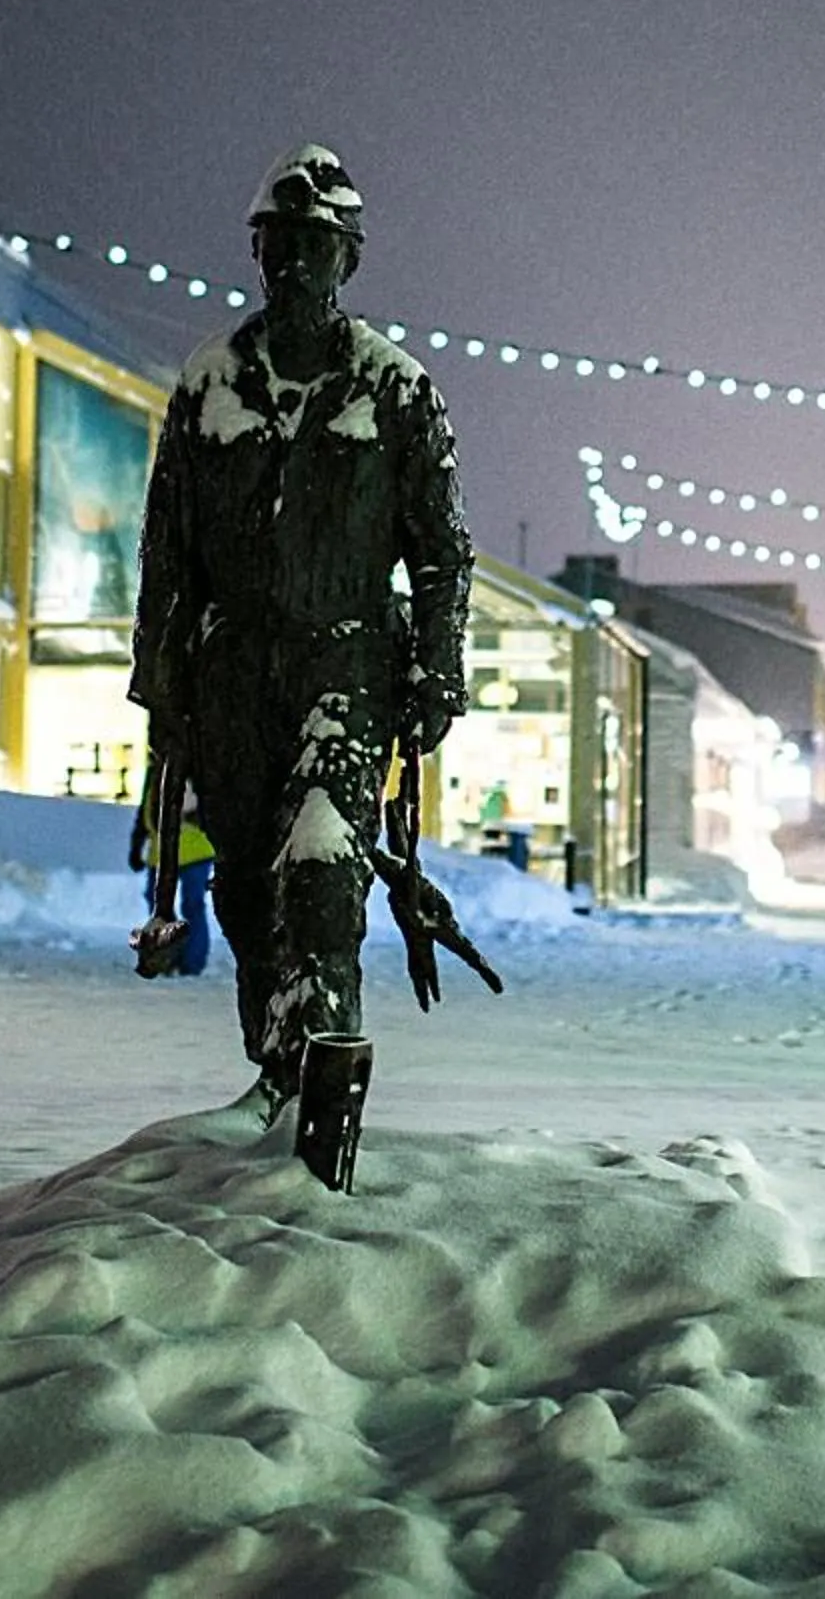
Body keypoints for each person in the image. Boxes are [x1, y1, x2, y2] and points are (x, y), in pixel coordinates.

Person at [130, 144, 474, 1116]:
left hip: (348, 667)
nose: (293, 263)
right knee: (245, 893)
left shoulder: (396, 391)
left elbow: (443, 551)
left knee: (322, 874)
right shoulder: (211, 385)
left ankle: (327, 1082)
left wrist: (437, 674)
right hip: (233, 677)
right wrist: (161, 690)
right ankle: (281, 1068)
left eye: (315, 245)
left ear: (348, 258)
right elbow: (167, 551)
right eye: (277, 243)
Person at [126, 765, 217, 976]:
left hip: (194, 849)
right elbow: (146, 807)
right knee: (163, 905)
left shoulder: (195, 764)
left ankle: (190, 962)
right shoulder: (156, 767)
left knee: (190, 905)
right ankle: (173, 955)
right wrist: (137, 843)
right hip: (163, 850)